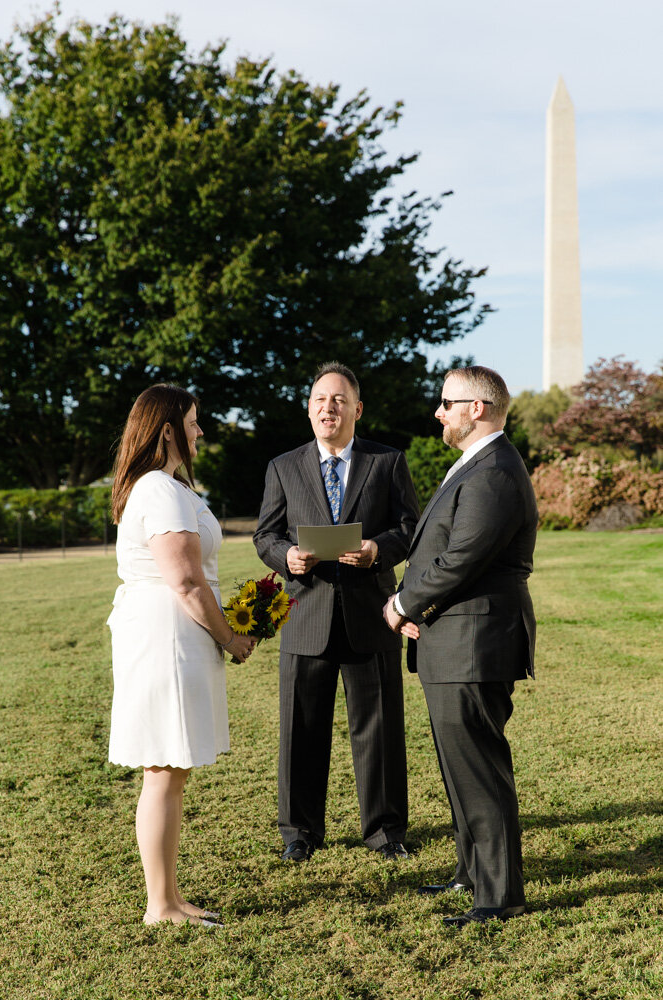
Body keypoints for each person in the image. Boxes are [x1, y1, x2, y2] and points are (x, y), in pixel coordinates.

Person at [383, 365, 537, 927]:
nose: (438, 411)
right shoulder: (475, 464)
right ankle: (471, 872)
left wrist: (402, 604)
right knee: (459, 767)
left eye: (447, 402)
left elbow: (462, 557)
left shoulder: (494, 470)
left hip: (476, 642)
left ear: (479, 408)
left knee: (479, 767)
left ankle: (499, 896)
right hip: (456, 639)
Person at [253, 362, 420, 862]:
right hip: (305, 615)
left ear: (357, 409)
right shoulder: (283, 466)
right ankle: (299, 832)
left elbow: (411, 528)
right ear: (309, 408)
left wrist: (376, 549)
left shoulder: (387, 462)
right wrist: (286, 556)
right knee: (300, 729)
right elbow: (265, 535)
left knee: (381, 730)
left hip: (371, 614)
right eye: (321, 399)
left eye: (340, 400)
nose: (329, 407)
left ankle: (386, 831)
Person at [108, 384, 255, 927]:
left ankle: (165, 898)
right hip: (168, 635)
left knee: (170, 769)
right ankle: (162, 903)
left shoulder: (163, 488)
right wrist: (230, 637)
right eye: (193, 422)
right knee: (164, 769)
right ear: (167, 429)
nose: (200, 431)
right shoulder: (160, 491)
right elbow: (189, 583)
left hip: (170, 633)